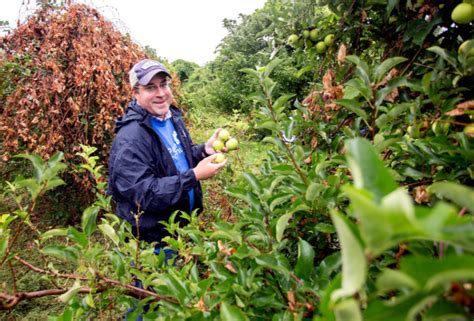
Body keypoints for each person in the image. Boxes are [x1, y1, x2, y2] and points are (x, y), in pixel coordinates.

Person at [107, 58, 226, 252]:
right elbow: (146, 194)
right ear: (135, 92)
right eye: (150, 87)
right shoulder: (130, 139)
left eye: (163, 84)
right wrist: (195, 175)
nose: (161, 93)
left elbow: (177, 159)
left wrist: (205, 150)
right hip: (152, 242)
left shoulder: (170, 118)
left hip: (181, 230)